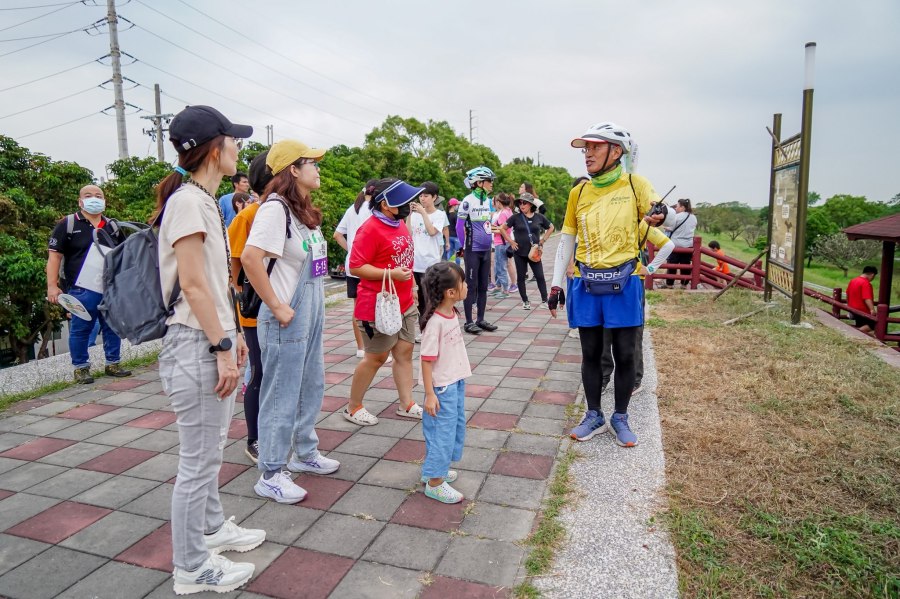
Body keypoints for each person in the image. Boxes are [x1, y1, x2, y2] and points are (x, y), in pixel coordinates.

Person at [157, 105, 262, 594]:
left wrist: (234, 334)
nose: (240, 148)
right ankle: (192, 567)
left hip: (209, 338)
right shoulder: (188, 202)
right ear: (215, 149)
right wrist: (222, 345)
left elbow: (215, 285)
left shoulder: (200, 198)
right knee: (197, 463)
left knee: (209, 454)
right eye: (234, 140)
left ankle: (213, 528)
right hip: (195, 343)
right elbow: (195, 286)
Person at [548, 122, 668, 448]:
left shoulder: (634, 184)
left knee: (625, 353)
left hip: (625, 281)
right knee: (590, 353)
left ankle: (621, 416)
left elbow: (660, 212)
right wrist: (556, 285)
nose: (587, 154)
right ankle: (594, 414)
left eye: (595, 147)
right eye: (585, 148)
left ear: (616, 151)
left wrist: (660, 213)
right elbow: (567, 240)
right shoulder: (580, 191)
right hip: (587, 282)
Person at [241, 140, 339, 503]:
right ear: (292, 170)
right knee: (281, 393)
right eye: (311, 163)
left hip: (309, 312)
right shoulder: (275, 209)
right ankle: (270, 471)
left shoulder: (300, 212)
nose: (318, 169)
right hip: (285, 316)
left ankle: (304, 452)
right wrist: (277, 306)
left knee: (311, 383)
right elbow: (251, 259)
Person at [344, 178, 426, 426]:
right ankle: (353, 406)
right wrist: (389, 274)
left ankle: (406, 403)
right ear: (386, 204)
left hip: (403, 302)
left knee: (405, 352)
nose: (408, 205)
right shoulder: (369, 229)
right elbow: (356, 266)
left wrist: (410, 287)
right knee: (375, 358)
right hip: (378, 305)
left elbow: (404, 260)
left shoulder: (398, 223)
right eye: (403, 201)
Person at [46, 185, 132, 384]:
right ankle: (81, 368)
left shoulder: (112, 226)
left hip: (109, 286)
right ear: (80, 201)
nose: (94, 198)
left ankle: (113, 363)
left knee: (112, 326)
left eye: (98, 196)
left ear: (104, 201)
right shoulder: (67, 224)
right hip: (80, 288)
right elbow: (54, 256)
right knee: (80, 329)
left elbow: (124, 254)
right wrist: (52, 285)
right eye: (88, 195)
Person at [227, 151, 273, 464]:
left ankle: (275, 433)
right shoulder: (249, 216)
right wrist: (241, 298)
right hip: (256, 312)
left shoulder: (294, 214)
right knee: (259, 373)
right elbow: (234, 263)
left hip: (283, 311)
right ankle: (254, 438)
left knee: (279, 375)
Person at [600, 220, 674, 395]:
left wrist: (650, 268)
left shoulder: (639, 224)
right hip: (605, 279)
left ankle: (634, 379)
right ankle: (603, 376)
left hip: (632, 282)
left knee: (633, 330)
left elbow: (668, 245)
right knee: (603, 329)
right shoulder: (603, 219)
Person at [419, 261, 471, 503]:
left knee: (451, 430)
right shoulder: (435, 323)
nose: (466, 285)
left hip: (454, 381)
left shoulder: (451, 314)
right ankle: (435, 482)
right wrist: (430, 394)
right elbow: (426, 361)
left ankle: (435, 469)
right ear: (451, 292)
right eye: (463, 283)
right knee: (443, 433)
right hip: (442, 388)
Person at [334, 180, 376, 358]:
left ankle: (360, 348)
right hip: (370, 265)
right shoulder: (375, 210)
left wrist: (351, 250)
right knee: (373, 307)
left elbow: (337, 235)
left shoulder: (353, 208)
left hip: (353, 264)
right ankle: (374, 348)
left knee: (357, 307)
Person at [456, 166, 499, 335]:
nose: (492, 184)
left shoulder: (489, 201)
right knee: (471, 286)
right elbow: (459, 226)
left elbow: (487, 224)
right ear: (479, 182)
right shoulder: (467, 201)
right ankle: (468, 322)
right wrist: (463, 246)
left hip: (486, 249)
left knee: (483, 285)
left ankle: (480, 319)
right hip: (472, 249)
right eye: (489, 181)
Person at [501, 192, 554, 310]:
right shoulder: (515, 217)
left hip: (534, 252)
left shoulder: (539, 217)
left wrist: (543, 240)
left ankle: (545, 300)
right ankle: (525, 301)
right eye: (520, 203)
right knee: (521, 278)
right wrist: (511, 242)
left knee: (540, 276)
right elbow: (502, 228)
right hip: (519, 252)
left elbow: (551, 227)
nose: (522, 205)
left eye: (524, 202)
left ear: (530, 204)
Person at [411, 181, 450, 334]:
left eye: (426, 196)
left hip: (431, 263)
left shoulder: (439, 215)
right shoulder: (414, 215)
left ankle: (433, 330)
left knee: (431, 300)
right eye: (420, 196)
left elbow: (432, 231)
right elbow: (408, 234)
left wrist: (423, 214)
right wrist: (408, 215)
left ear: (434, 197)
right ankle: (423, 330)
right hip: (415, 263)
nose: (422, 199)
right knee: (419, 301)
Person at [665, 199, 697, 288]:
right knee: (686, 265)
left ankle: (670, 284)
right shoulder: (694, 217)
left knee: (672, 265)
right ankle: (684, 284)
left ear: (682, 207)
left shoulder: (677, 216)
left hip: (676, 245)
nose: (676, 208)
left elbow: (670, 228)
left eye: (677, 206)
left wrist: (664, 226)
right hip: (688, 245)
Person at [490, 193, 514, 298]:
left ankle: (505, 290)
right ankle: (499, 286)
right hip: (503, 242)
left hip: (501, 242)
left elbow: (502, 229)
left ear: (499, 202)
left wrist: (490, 229)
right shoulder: (508, 211)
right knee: (498, 265)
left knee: (500, 266)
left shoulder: (503, 213)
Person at [846, 266, 878, 333]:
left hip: (852, 308)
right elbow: (867, 298)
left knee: (861, 325)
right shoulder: (866, 283)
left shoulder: (853, 280)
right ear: (872, 274)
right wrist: (872, 309)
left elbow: (847, 294)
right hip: (862, 311)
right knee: (875, 324)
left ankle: (857, 333)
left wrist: (848, 305)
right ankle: (856, 333)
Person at [445, 198, 462, 263]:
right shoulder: (456, 215)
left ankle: (450, 268)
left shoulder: (446, 215)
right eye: (457, 205)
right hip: (456, 237)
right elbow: (459, 227)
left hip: (448, 237)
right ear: (454, 205)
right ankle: (457, 269)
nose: (457, 206)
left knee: (450, 253)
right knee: (457, 254)